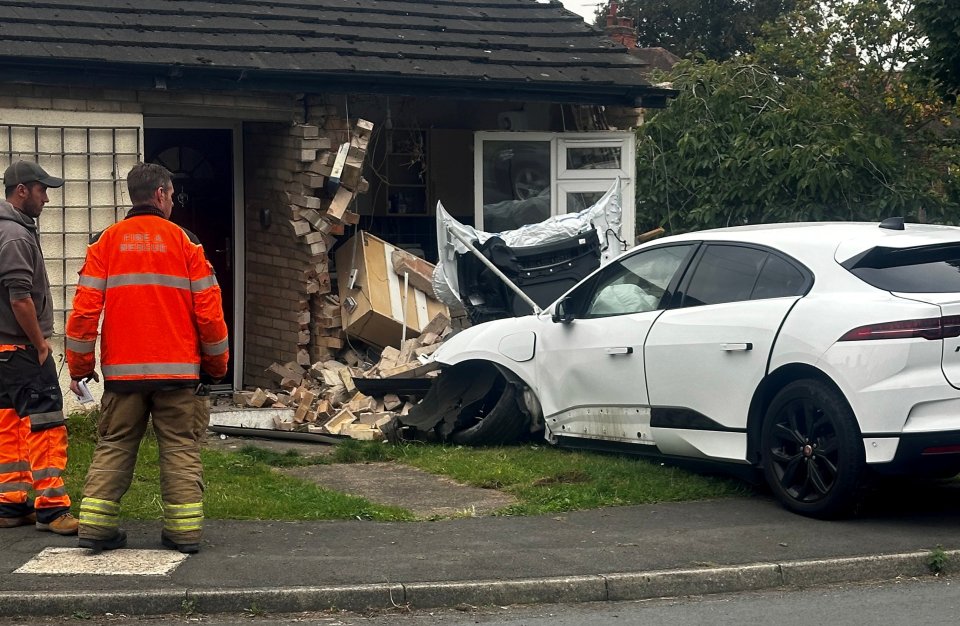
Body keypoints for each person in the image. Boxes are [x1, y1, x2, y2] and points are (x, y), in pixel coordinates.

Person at [66, 162, 228, 554]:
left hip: (123, 377)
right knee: (180, 450)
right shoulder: (187, 243)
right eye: (172, 195)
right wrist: (216, 367)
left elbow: (85, 312)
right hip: (178, 376)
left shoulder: (105, 242)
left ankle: (96, 529)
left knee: (114, 446)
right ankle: (183, 534)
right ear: (160, 194)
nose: (173, 201)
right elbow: (209, 312)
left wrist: (80, 368)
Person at [0, 160, 79, 535]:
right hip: (22, 349)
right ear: (22, 190)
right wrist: (41, 344)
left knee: (10, 424)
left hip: (3, 352)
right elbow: (20, 298)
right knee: (46, 422)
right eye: (42, 190)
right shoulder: (15, 236)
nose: (46, 198)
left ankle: (10, 503)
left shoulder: (5, 230)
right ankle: (52, 508)